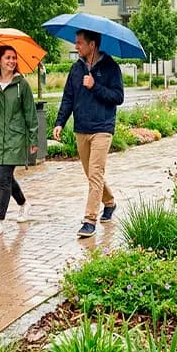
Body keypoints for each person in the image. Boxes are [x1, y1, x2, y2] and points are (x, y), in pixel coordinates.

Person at [53, 29, 124, 238]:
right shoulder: (76, 69)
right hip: (81, 128)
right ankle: (109, 202)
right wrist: (59, 123)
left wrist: (95, 86)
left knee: (95, 173)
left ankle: (89, 220)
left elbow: (118, 97)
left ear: (92, 45)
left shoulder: (111, 67)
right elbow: (68, 97)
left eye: (80, 43)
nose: (76, 47)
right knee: (92, 175)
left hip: (103, 128)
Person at [0, 45, 38, 236]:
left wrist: (33, 138)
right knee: (7, 179)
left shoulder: (22, 85)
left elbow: (31, 114)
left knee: (3, 179)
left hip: (15, 137)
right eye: (7, 58)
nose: (12, 61)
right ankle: (24, 203)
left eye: (14, 58)